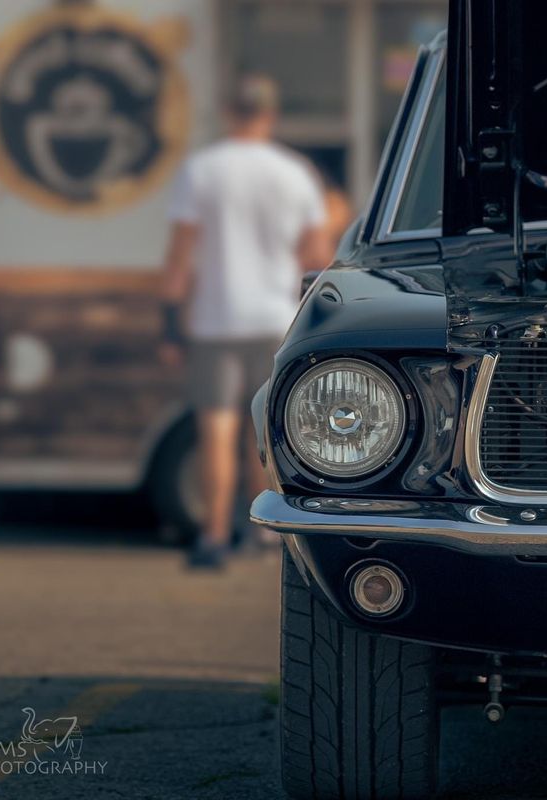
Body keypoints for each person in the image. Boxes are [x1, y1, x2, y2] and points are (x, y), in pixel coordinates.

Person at [159, 75, 330, 569]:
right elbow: (316, 257)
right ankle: (264, 535)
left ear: (228, 112)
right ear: (269, 116)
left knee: (215, 431)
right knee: (269, 433)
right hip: (277, 322)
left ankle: (213, 537)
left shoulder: (202, 170)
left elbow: (179, 257)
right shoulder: (296, 172)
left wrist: (170, 325)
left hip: (216, 321)